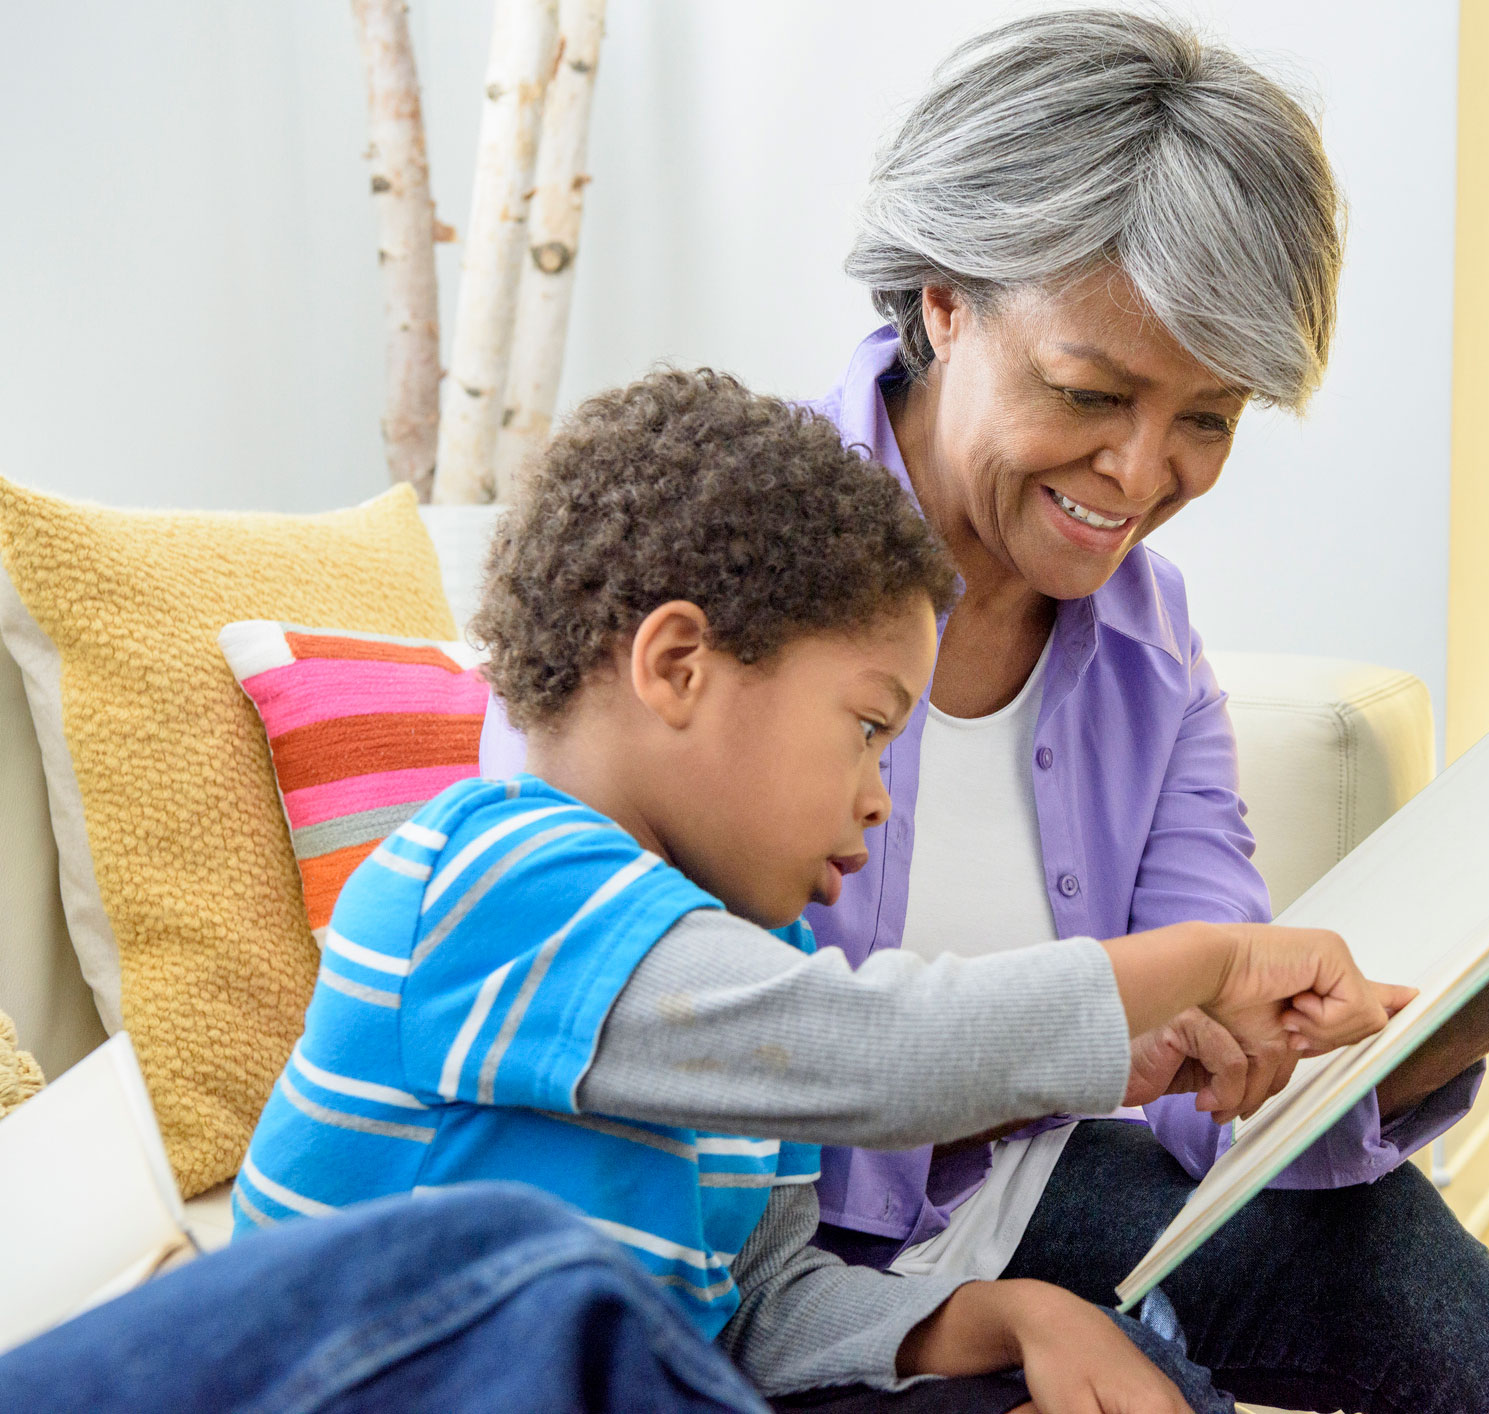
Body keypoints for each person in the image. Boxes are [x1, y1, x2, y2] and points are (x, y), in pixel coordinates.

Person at [496, 12, 1489, 1411]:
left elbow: (1228, 1103)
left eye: (1209, 416)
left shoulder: (1146, 641)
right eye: (1091, 391)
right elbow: (728, 1030)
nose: (1140, 474)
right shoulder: (708, 556)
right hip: (763, 1258)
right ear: (943, 300)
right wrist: (1189, 979)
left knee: (1449, 1314)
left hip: (1012, 1202)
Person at [219, 369, 1404, 1412]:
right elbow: (875, 1049)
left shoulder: (744, 951)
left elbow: (761, 1313)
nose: (880, 796)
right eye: (867, 730)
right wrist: (1209, 962)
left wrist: (1010, 1314)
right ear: (678, 665)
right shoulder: (494, 883)